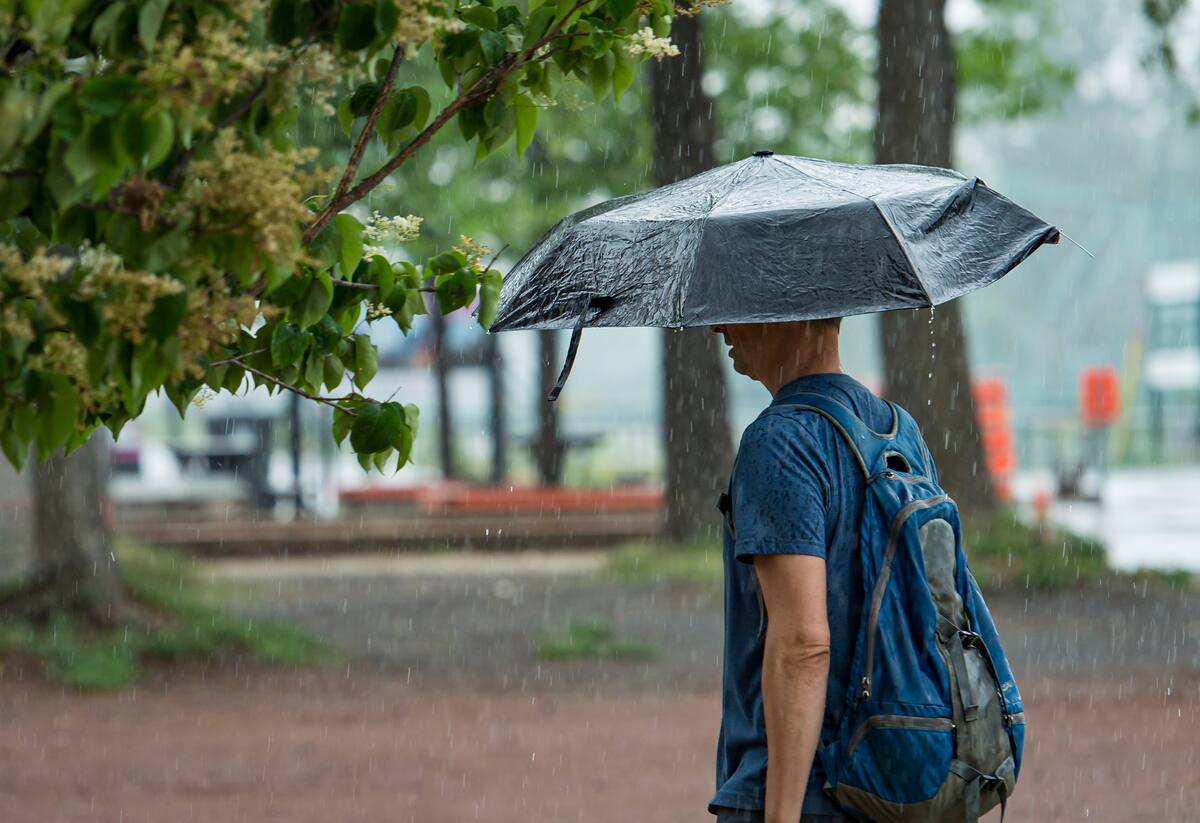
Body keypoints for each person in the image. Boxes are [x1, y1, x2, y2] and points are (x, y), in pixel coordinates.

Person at [707, 317, 911, 823]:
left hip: (808, 791)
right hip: (894, 776)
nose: (718, 327)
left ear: (792, 312)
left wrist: (781, 815)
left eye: (738, 303)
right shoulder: (899, 431)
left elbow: (803, 646)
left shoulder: (780, 441)